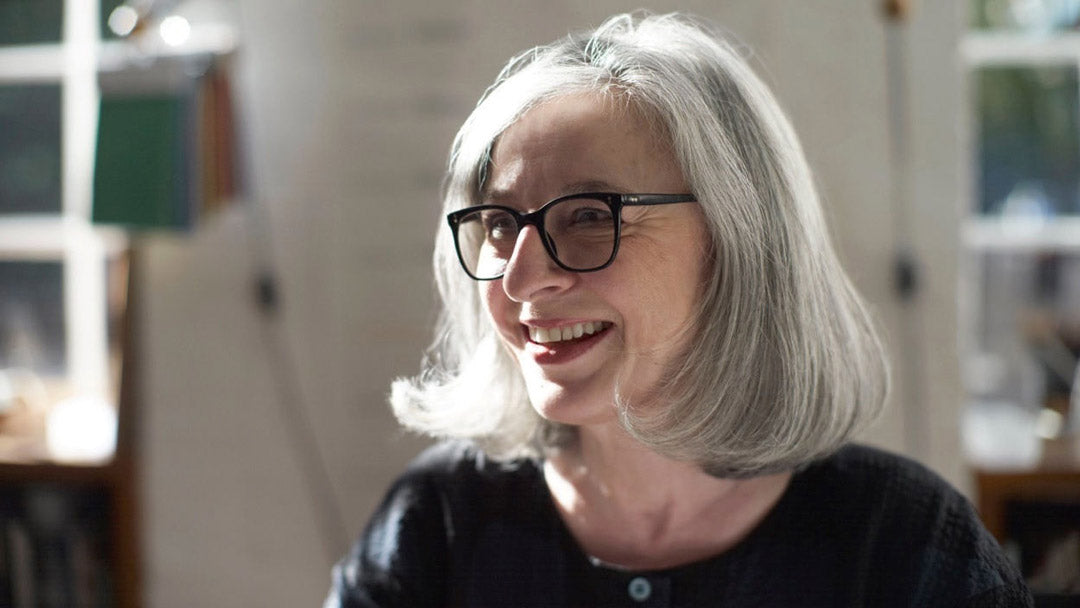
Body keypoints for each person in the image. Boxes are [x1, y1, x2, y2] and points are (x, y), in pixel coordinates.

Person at [325, 12, 1032, 608]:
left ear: (737, 236)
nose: (520, 279)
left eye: (589, 217)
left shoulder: (908, 548)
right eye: (501, 224)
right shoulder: (436, 525)